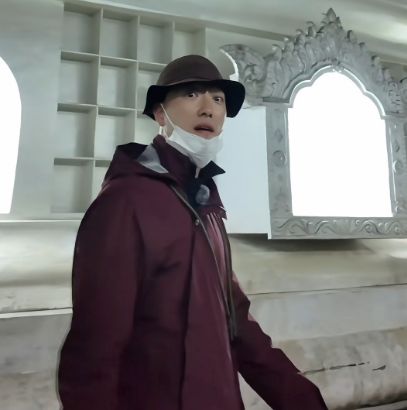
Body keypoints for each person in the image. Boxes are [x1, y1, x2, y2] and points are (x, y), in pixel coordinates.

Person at [58, 54, 327, 410]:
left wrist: (306, 402)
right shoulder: (125, 202)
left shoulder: (206, 202)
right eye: (191, 94)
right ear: (160, 114)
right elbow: (95, 348)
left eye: (218, 99)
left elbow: (238, 326)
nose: (208, 109)